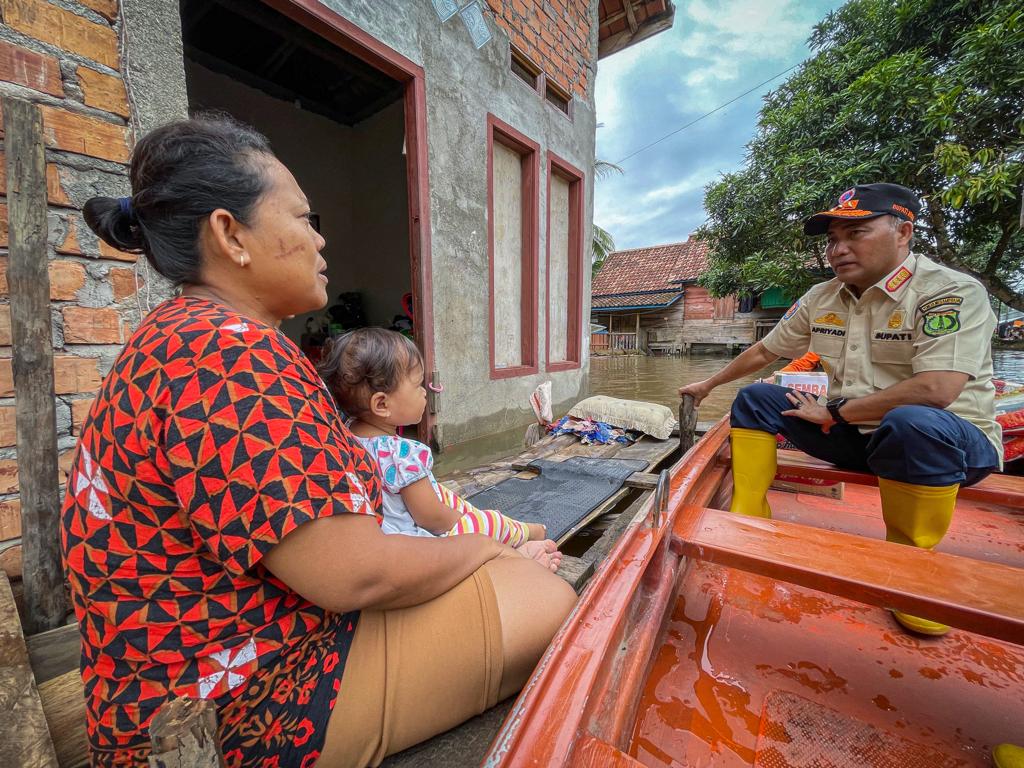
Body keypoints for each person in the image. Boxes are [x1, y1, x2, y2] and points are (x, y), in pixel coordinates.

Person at [62, 115, 576, 768]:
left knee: (501, 575)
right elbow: (355, 574)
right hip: (226, 703)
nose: (320, 241)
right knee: (548, 597)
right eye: (304, 219)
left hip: (168, 676)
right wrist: (483, 551)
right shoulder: (232, 353)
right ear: (230, 234)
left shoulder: (175, 338)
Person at [679, 183, 1001, 637]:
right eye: (832, 239)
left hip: (948, 446)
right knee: (756, 398)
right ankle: (749, 514)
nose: (838, 249)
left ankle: (912, 564)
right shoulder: (821, 297)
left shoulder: (947, 292)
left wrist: (836, 413)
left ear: (903, 231)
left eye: (856, 233)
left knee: (914, 422)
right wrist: (709, 384)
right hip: (857, 434)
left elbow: (937, 389)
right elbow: (765, 352)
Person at [319, 328, 555, 554]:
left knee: (445, 494)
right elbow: (432, 518)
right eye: (417, 385)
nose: (424, 392)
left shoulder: (347, 436)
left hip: (388, 538)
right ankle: (530, 533)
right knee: (490, 522)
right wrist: (469, 522)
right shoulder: (402, 452)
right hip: (422, 543)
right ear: (382, 405)